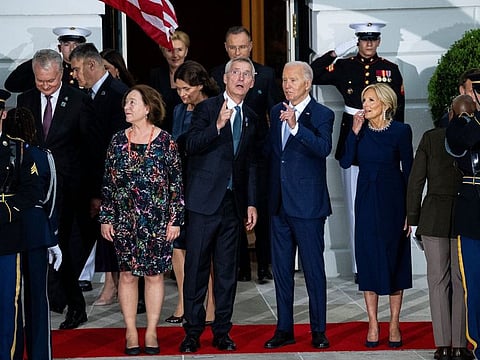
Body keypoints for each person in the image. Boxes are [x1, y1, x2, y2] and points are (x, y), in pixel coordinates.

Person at [311, 22, 405, 283]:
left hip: (382, 143)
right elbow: (313, 73)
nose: (368, 44)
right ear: (357, 41)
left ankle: (381, 259)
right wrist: (335, 53)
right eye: (364, 39)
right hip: (353, 140)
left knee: (382, 207)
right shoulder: (345, 65)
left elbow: (399, 112)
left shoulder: (390, 70)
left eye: (373, 39)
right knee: (355, 208)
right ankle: (359, 266)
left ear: (378, 41)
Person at [179, 57, 258, 353]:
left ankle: (222, 331)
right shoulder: (206, 109)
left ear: (251, 81)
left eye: (246, 74)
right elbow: (190, 145)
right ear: (225, 79)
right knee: (197, 269)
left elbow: (249, 163)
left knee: (227, 273)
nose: (240, 78)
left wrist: (251, 202)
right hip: (203, 202)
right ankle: (192, 332)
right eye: (235, 72)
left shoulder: (250, 115)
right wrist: (217, 125)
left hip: (233, 206)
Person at [99, 84, 184, 356]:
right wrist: (106, 217)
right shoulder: (116, 141)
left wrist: (175, 220)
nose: (127, 107)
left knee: (154, 276)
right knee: (126, 276)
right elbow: (108, 184)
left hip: (157, 221)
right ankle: (131, 331)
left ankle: (151, 331)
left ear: (148, 108)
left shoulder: (166, 141)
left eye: (133, 102)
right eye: (126, 102)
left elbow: (175, 186)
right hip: (125, 220)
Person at [16, 49, 93, 329]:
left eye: (49, 81)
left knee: (65, 248)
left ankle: (76, 305)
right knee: (38, 244)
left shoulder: (79, 101)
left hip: (70, 188)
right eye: (40, 81)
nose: (45, 86)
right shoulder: (24, 100)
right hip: (36, 187)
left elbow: (89, 148)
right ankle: (49, 300)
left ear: (60, 74)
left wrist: (93, 192)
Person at [263, 61, 334, 350]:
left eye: (292, 79)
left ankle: (318, 330)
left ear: (307, 83)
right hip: (279, 205)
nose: (287, 84)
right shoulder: (274, 110)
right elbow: (274, 156)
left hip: (308, 206)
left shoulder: (322, 114)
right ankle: (284, 329)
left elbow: (323, 148)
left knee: (313, 270)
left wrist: (295, 128)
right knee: (281, 271)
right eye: (284, 79)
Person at [339, 83, 412, 348]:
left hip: (393, 202)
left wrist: (410, 211)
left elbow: (410, 171)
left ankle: (394, 323)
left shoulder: (401, 131)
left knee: (394, 260)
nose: (365, 105)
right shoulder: (358, 131)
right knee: (369, 259)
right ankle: (372, 323)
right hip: (367, 201)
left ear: (385, 103)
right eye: (363, 100)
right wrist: (354, 133)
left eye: (370, 100)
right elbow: (346, 162)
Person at [211, 26, 280, 283]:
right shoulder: (218, 74)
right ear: (226, 47)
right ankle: (239, 266)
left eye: (242, 47)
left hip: (258, 154)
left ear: (250, 46)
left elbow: (273, 115)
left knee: (259, 209)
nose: (237, 51)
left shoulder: (265, 75)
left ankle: (264, 265)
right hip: (228, 155)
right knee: (232, 209)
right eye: (232, 47)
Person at [407, 94, 474, 360]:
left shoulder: (431, 138)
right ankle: (459, 346)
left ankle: (443, 346)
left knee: (437, 282)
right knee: (461, 282)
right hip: (466, 218)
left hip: (433, 218)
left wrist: (413, 219)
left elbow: (415, 181)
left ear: (450, 112)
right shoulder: (475, 137)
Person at [70, 42, 130, 306]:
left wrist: (100, 191)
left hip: (113, 183)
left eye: (77, 69)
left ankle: (119, 288)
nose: (74, 75)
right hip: (91, 181)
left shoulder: (117, 94)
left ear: (92, 65)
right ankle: (109, 284)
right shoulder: (85, 94)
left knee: (115, 236)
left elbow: (112, 147)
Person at [3, 106, 62, 360]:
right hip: (28, 231)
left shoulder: (31, 154)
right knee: (29, 299)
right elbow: (51, 196)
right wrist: (53, 233)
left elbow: (43, 194)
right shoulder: (39, 154)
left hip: (24, 230)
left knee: (17, 299)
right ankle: (38, 354)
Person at [165, 60, 219, 325]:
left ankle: (209, 305)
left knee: (201, 248)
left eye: (186, 89)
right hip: (180, 182)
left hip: (204, 183)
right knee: (178, 245)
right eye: (178, 89)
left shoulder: (214, 107)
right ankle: (184, 302)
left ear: (200, 85)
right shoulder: (177, 111)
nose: (182, 94)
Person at [0, 90, 43, 360]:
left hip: (7, 233)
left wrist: (7, 209)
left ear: (3, 114)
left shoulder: (18, 149)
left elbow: (33, 189)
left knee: (7, 302)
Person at [445, 71, 480, 360]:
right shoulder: (458, 125)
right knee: (476, 283)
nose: (472, 97)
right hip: (472, 212)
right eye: (469, 92)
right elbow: (465, 140)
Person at [5, 26, 91, 93]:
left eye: (76, 44)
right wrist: (39, 60)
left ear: (83, 47)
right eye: (66, 44)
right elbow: (11, 85)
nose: (72, 48)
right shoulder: (50, 69)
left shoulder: (91, 70)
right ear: (59, 48)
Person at [149, 30, 190, 133]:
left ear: (186, 51)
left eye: (179, 50)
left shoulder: (194, 74)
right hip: (160, 131)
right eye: (169, 50)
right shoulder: (155, 75)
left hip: (187, 131)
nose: (175, 55)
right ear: (163, 52)